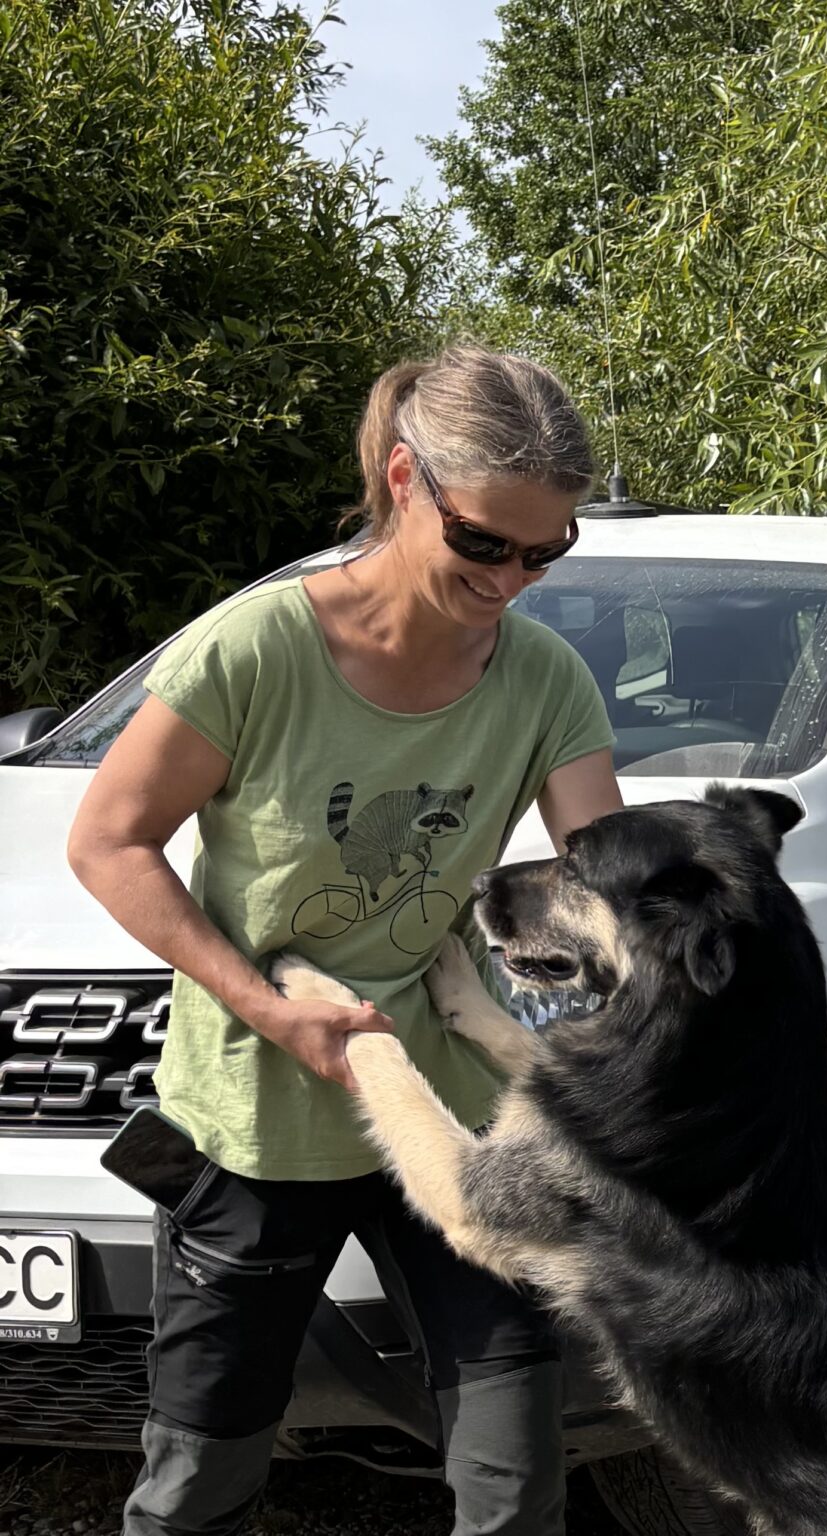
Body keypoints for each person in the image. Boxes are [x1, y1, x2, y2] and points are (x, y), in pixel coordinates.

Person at [68, 346, 623, 1536]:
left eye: (546, 551)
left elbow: (607, 877)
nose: (514, 580)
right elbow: (108, 842)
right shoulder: (256, 648)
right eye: (486, 543)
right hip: (263, 1112)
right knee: (199, 1481)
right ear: (406, 478)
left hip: (456, 1118)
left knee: (517, 1475)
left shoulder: (544, 678)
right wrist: (268, 1008)